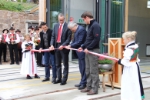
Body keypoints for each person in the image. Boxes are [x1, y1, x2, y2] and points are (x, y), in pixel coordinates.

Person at [78, 11, 101, 95]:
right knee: (87, 70)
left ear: (87, 17)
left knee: (93, 70)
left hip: (93, 50)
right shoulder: (90, 26)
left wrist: (89, 48)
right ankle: (89, 86)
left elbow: (96, 39)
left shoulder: (95, 25)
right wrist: (83, 46)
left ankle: (94, 89)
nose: (84, 21)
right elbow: (89, 39)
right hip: (88, 50)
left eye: (84, 19)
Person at [118, 31, 145, 100]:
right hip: (135, 67)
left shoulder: (129, 49)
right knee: (134, 83)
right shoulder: (135, 46)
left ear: (129, 39)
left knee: (129, 83)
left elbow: (126, 61)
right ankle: (135, 97)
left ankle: (129, 98)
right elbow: (136, 58)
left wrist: (120, 61)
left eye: (124, 39)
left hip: (130, 69)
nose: (123, 40)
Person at [50, 13, 72, 85]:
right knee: (57, 64)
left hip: (64, 48)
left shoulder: (68, 27)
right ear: (58, 19)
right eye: (60, 20)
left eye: (62, 20)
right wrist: (52, 45)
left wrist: (63, 45)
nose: (61, 21)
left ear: (64, 19)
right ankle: (58, 78)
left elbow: (68, 39)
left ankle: (64, 79)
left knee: (65, 64)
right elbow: (53, 36)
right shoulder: (55, 26)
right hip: (56, 47)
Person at [65, 21, 87, 89]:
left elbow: (79, 41)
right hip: (78, 51)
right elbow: (75, 41)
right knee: (81, 68)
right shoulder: (77, 30)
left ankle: (84, 83)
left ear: (74, 26)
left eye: (71, 29)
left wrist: (71, 46)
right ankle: (82, 81)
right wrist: (70, 44)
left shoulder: (81, 30)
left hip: (82, 51)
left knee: (83, 68)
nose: (71, 30)